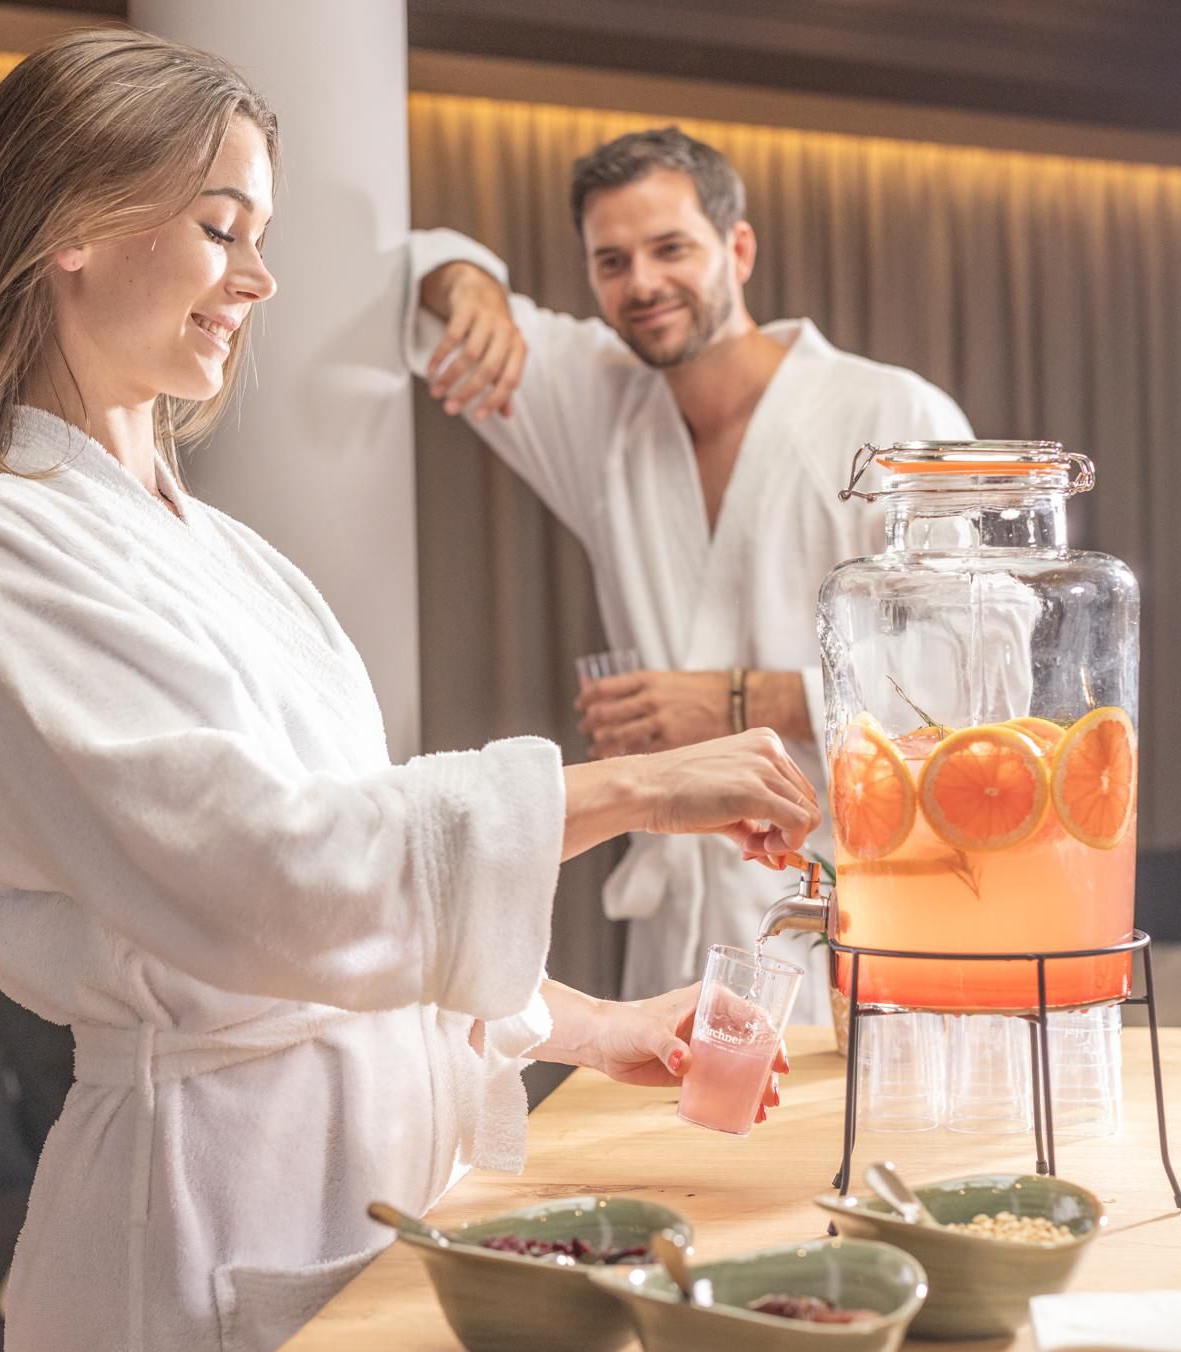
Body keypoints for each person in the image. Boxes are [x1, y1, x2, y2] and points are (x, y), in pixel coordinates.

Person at [0, 33, 815, 1352]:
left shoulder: (231, 554)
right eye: (220, 227)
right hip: (203, 1226)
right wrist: (642, 785)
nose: (257, 277)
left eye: (262, 233)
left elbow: (367, 890)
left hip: (384, 1198)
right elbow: (271, 873)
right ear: (69, 225)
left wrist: (601, 1029)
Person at [404, 127, 973, 1012]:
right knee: (671, 1145)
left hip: (849, 898)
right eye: (611, 261)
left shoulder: (890, 412)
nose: (642, 284)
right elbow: (412, 269)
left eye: (670, 248)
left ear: (737, 249)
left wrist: (739, 702)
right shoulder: (601, 406)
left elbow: (977, 665)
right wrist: (476, 288)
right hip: (679, 931)